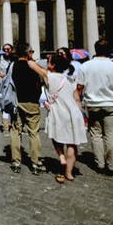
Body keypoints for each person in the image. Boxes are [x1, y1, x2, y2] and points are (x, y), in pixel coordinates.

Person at [77, 39, 113, 176]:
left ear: (95, 50)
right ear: (110, 51)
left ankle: (99, 163)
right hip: (111, 104)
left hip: (92, 104)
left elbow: (79, 88)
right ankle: (112, 166)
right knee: (111, 137)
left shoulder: (85, 66)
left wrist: (78, 104)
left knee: (96, 135)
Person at [32, 55, 87, 183]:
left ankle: (61, 156)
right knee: (72, 144)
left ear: (53, 65)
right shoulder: (70, 79)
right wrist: (81, 115)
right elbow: (77, 99)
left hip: (58, 112)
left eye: (48, 62)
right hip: (73, 112)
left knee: (56, 137)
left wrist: (29, 56)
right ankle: (69, 173)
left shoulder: (49, 76)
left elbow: (32, 65)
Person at [9, 43, 46, 175]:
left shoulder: (13, 65)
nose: (32, 53)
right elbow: (41, 80)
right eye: (32, 51)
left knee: (15, 132)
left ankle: (16, 162)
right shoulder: (32, 65)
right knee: (34, 133)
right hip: (32, 102)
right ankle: (35, 163)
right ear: (27, 53)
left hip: (17, 101)